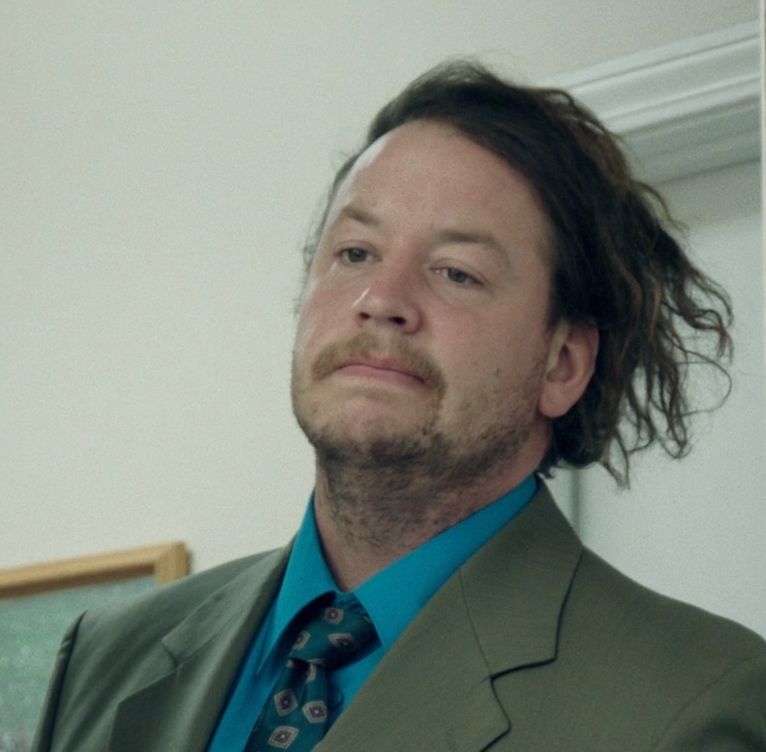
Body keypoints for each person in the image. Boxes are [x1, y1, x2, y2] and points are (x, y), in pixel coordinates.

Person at [33, 61, 765, 752]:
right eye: (355, 253)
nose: (380, 299)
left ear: (562, 364)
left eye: (456, 272)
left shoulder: (692, 700)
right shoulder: (105, 656)